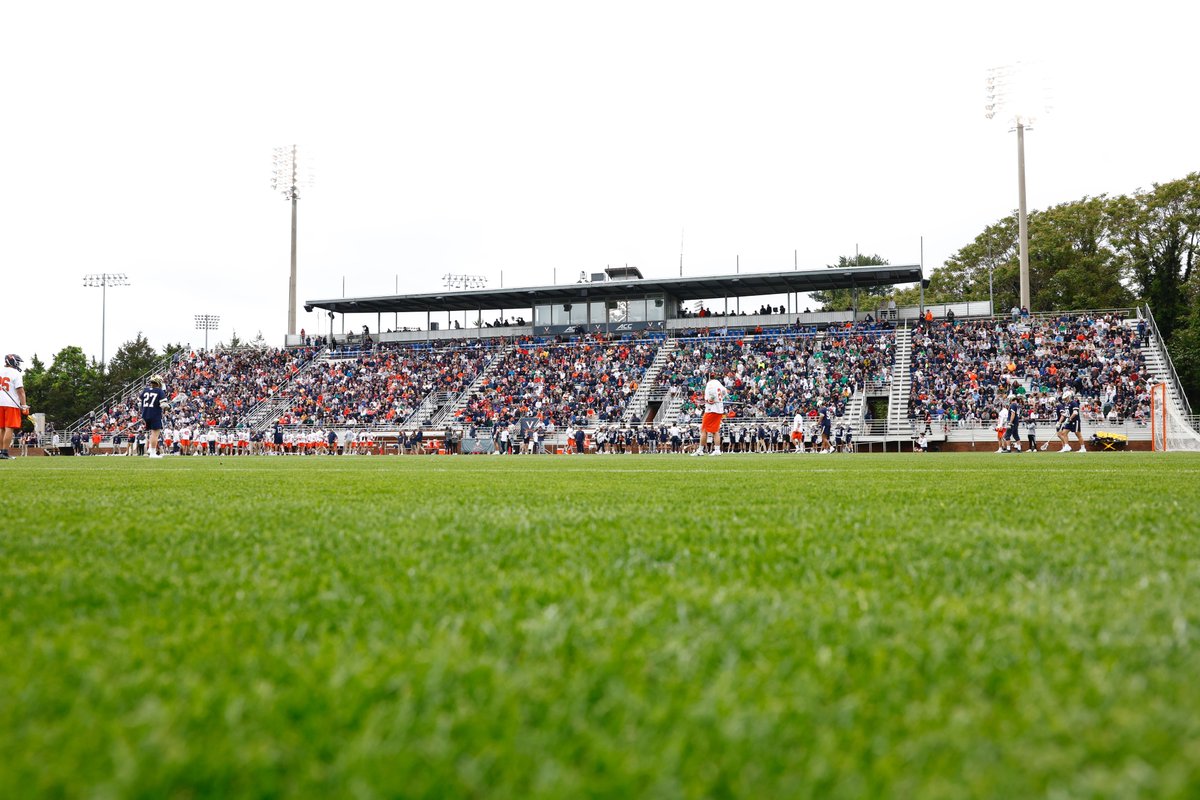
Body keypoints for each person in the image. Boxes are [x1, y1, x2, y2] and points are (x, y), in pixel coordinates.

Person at [0, 354, 31, 459]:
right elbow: (20, 391)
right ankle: (4, 452)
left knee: (1, 428)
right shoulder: (16, 373)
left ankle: (0, 451)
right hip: (11, 404)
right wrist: (24, 405)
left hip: (0, 403)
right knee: (9, 428)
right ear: (13, 361)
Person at [695, 366, 727, 456]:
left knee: (704, 429)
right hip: (719, 409)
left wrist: (710, 399)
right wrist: (720, 398)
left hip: (711, 409)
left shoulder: (710, 384)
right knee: (715, 430)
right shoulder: (718, 383)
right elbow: (724, 391)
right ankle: (717, 450)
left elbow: (711, 395)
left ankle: (700, 450)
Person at [140, 374, 171, 458]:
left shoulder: (145, 390)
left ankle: (150, 448)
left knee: (151, 433)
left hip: (145, 414)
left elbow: (140, 401)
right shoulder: (159, 391)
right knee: (155, 434)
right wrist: (169, 407)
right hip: (154, 414)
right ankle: (153, 453)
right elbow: (163, 405)